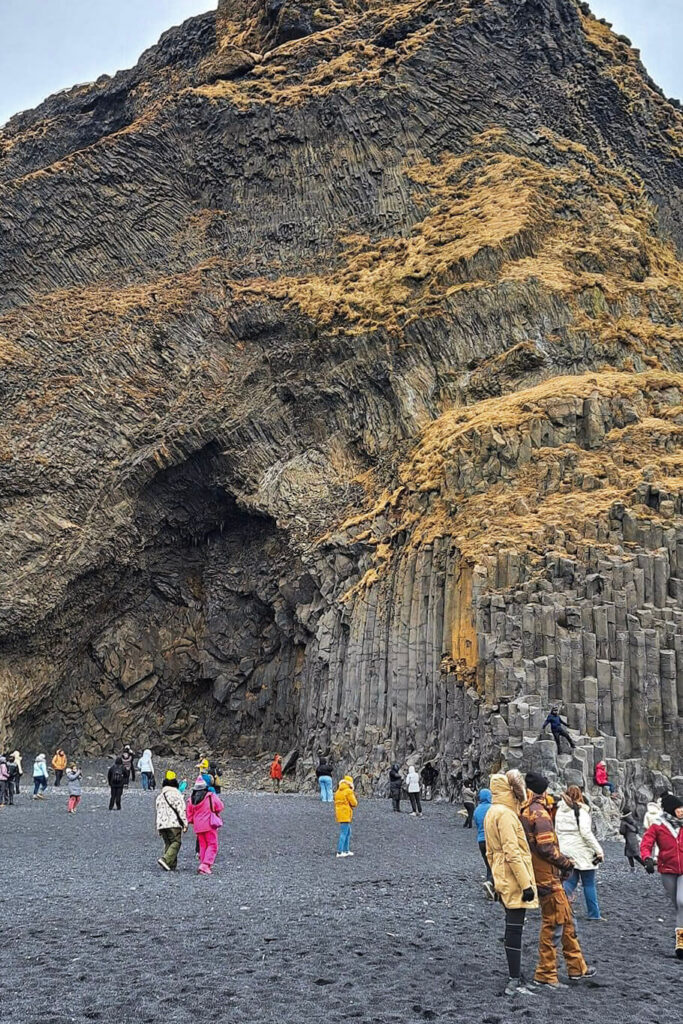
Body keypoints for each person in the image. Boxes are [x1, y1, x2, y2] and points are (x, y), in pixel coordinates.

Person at [520, 773, 595, 988]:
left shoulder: (527, 810)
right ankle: (545, 973)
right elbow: (546, 848)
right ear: (544, 790)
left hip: (542, 874)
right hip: (547, 877)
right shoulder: (539, 813)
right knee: (553, 923)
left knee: (566, 919)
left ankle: (577, 967)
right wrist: (566, 863)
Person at [483, 770, 538, 996]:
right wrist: (526, 885)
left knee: (512, 925)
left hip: (502, 874)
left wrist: (494, 877)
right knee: (514, 929)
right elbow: (512, 852)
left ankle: (517, 976)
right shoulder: (506, 814)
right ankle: (514, 979)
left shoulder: (492, 811)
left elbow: (489, 851)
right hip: (513, 877)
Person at [641, 792, 683, 960]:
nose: (682, 811)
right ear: (671, 810)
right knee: (678, 906)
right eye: (679, 808)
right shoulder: (658, 826)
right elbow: (646, 843)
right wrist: (647, 858)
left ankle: (680, 943)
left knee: (682, 901)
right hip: (667, 869)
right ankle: (681, 939)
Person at [556, 785, 605, 920]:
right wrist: (599, 851)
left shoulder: (559, 811)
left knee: (570, 881)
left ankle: (559, 907)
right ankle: (594, 914)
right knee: (588, 883)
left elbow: (557, 831)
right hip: (582, 851)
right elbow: (586, 833)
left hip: (565, 850)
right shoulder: (581, 812)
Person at [186, 777, 224, 875]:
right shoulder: (210, 796)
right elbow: (220, 806)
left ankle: (203, 864)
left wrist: (194, 821)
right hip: (209, 824)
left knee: (203, 845)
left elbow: (189, 816)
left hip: (198, 826)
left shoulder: (191, 799)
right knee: (212, 844)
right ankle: (205, 865)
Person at [155, 770, 188, 871]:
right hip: (173, 823)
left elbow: (158, 811)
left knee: (168, 843)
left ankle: (170, 865)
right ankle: (165, 860)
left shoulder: (160, 796)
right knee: (176, 842)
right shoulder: (177, 795)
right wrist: (185, 823)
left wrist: (158, 826)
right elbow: (181, 810)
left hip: (161, 824)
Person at [473, 787, 494, 898]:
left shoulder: (477, 810)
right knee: (495, 863)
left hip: (481, 840)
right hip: (491, 839)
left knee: (488, 864)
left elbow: (477, 825)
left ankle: (489, 886)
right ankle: (492, 884)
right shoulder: (492, 808)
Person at [334, 775, 358, 858]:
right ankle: (340, 851)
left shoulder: (338, 791)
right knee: (344, 833)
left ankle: (346, 850)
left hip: (340, 813)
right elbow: (354, 803)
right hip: (346, 813)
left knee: (347, 832)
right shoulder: (348, 791)